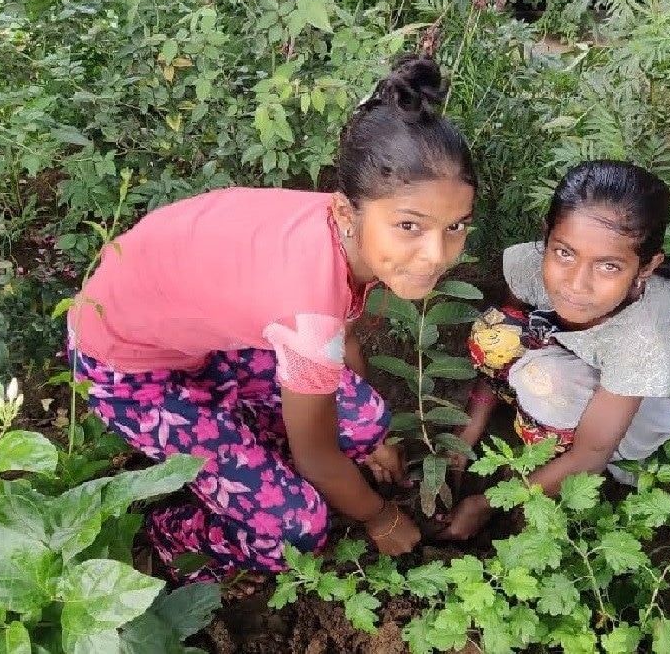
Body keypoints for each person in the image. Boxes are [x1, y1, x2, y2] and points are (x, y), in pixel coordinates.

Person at [68, 54, 475, 587]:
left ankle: (246, 443)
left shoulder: (348, 230)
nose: (436, 254)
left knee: (368, 418)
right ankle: (176, 535)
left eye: (456, 225)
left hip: (198, 336)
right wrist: (379, 517)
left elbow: (343, 332)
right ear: (346, 213)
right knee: (298, 527)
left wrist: (370, 438)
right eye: (410, 226)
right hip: (125, 367)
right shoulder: (307, 312)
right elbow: (316, 451)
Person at [440, 160, 670, 539]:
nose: (576, 284)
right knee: (494, 332)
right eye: (565, 253)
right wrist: (463, 442)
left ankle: (537, 467)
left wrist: (488, 504)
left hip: (634, 420)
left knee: (544, 379)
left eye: (609, 266)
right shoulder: (534, 268)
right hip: (573, 369)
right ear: (547, 237)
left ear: (646, 267)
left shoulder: (643, 339)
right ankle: (535, 420)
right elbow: (508, 337)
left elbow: (592, 454)